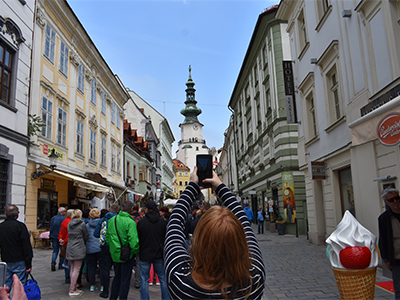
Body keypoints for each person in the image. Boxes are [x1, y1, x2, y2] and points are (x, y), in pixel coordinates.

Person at [164, 167, 265, 299]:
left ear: (199, 241)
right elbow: (245, 224)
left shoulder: (180, 281)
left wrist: (192, 186)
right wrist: (219, 186)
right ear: (240, 243)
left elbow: (174, 225)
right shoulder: (254, 279)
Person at [106, 201, 139, 300]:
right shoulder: (130, 222)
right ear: (131, 210)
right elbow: (134, 241)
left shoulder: (112, 220)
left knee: (117, 277)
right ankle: (122, 298)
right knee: (125, 279)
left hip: (115, 253)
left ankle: (113, 297)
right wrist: (135, 251)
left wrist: (113, 247)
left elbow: (108, 236)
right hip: (126, 254)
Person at [137, 201, 169, 300]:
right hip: (159, 253)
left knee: (144, 280)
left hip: (144, 253)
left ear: (146, 209)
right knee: (163, 279)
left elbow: (138, 237)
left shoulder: (141, 222)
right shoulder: (163, 222)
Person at [0, 205, 33, 291]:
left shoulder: (1, 226)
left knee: (6, 284)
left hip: (5, 258)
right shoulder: (20, 226)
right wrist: (28, 263)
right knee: (20, 285)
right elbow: (26, 245)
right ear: (16, 214)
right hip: (19, 259)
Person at [378, 187, 400, 299]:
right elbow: (383, 240)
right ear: (387, 202)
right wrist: (386, 260)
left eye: (397, 198)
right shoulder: (384, 218)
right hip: (397, 258)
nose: (395, 201)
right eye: (391, 200)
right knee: (399, 288)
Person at [95, 204, 119, 298]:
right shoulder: (118, 219)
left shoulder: (102, 220)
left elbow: (96, 233)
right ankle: (116, 290)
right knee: (117, 269)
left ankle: (105, 291)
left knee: (104, 269)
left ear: (109, 209)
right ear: (117, 211)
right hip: (116, 246)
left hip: (105, 247)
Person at [66, 209, 89, 297]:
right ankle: (72, 289)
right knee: (77, 269)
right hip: (78, 247)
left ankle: (74, 287)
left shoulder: (69, 223)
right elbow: (86, 235)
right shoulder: (82, 224)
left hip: (70, 246)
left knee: (72, 268)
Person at [86, 208, 101, 292]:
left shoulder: (87, 225)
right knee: (102, 267)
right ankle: (103, 285)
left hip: (90, 248)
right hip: (100, 247)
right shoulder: (102, 224)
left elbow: (85, 236)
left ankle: (92, 285)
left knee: (91, 266)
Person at [59, 209, 73, 284]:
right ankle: (69, 278)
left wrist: (61, 239)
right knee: (69, 262)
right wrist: (65, 241)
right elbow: (69, 234)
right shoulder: (69, 222)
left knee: (66, 261)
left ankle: (67, 277)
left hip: (65, 243)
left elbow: (61, 231)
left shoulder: (64, 221)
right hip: (68, 244)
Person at [49, 206, 66, 271]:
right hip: (61, 236)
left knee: (55, 251)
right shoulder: (64, 219)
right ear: (62, 212)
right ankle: (61, 264)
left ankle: (53, 262)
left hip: (54, 236)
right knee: (62, 251)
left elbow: (51, 227)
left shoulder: (53, 218)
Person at [131, 202, 142, 289]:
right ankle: (138, 282)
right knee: (138, 264)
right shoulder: (141, 219)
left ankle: (125, 280)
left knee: (128, 263)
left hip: (128, 244)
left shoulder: (128, 219)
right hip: (139, 243)